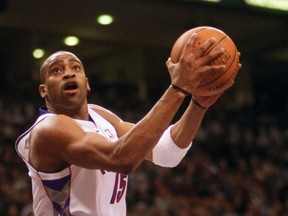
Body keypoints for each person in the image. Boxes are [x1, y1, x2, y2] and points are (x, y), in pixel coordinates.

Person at [15, 33, 240, 215]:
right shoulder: (49, 128)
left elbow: (167, 153)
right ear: (43, 90)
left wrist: (198, 105)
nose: (68, 74)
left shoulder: (101, 116)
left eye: (75, 68)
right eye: (56, 70)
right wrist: (178, 89)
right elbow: (121, 158)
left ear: (87, 83)